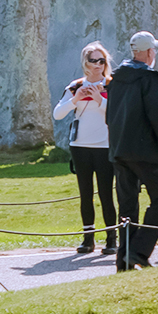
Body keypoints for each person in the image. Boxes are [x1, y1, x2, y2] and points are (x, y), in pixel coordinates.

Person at [105, 31, 158, 271]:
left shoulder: (115, 78)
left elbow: (109, 117)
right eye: (153, 49)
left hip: (119, 150)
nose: (154, 53)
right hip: (144, 150)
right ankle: (139, 251)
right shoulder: (148, 79)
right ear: (147, 52)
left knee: (127, 208)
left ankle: (123, 261)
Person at [53, 41, 116, 256]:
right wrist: (76, 99)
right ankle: (88, 238)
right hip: (80, 146)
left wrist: (100, 99)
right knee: (85, 193)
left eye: (102, 60)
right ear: (85, 62)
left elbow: (118, 113)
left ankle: (111, 239)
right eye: (93, 60)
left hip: (105, 146)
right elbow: (58, 114)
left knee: (106, 194)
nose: (98, 64)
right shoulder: (75, 86)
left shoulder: (112, 84)